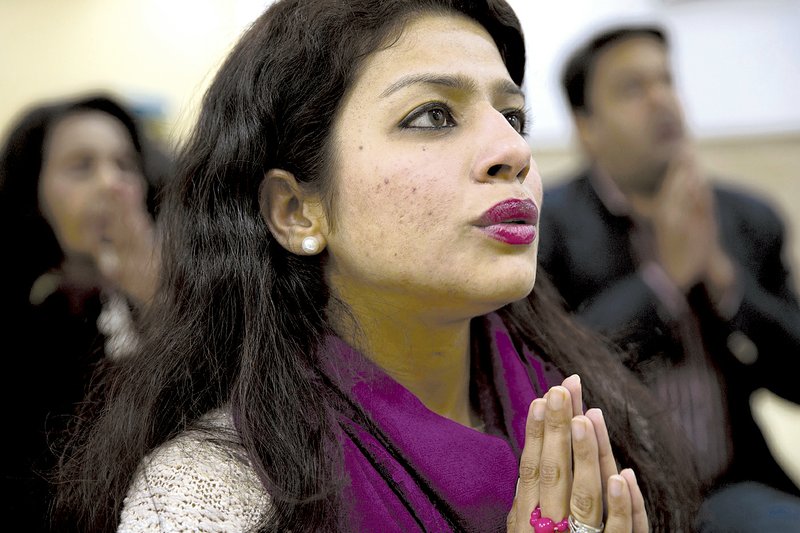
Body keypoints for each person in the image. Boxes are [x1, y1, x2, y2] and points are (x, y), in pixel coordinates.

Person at [54, 2, 696, 532]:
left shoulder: (597, 420)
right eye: (432, 116)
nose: (513, 151)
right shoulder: (212, 495)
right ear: (297, 211)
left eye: (513, 116)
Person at [538, 23, 800, 531]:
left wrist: (727, 285)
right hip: (606, 496)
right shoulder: (547, 228)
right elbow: (553, 374)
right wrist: (664, 282)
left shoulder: (746, 219)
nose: (662, 100)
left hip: (733, 490)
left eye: (666, 81)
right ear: (585, 125)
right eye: (633, 88)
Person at [0, 94, 170, 531]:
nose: (111, 183)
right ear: (33, 190)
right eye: (81, 167)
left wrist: (158, 302)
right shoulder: (28, 315)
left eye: (125, 165)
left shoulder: (169, 290)